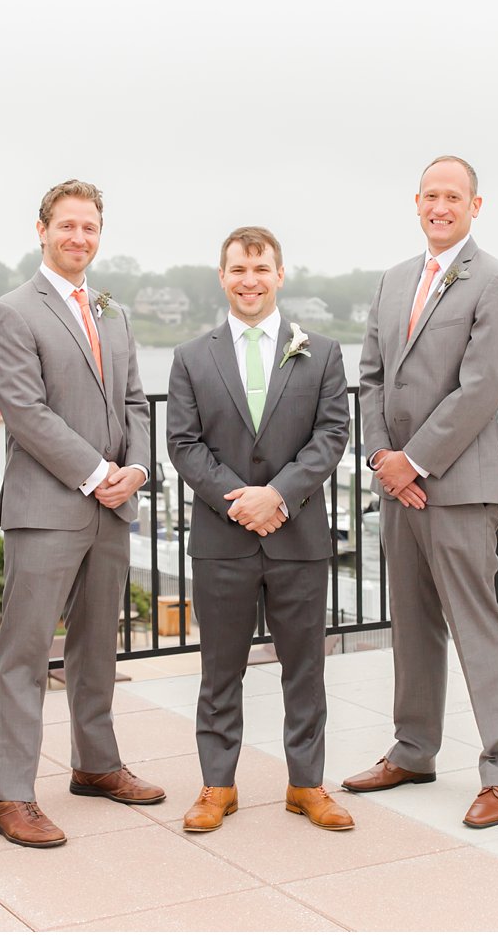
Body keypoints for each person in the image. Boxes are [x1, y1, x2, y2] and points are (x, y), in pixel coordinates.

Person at [343, 155, 498, 829]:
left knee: (477, 627)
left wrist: (416, 461)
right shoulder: (393, 281)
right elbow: (368, 377)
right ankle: (414, 750)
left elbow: (482, 387)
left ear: (476, 205)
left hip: (458, 485)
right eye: (430, 196)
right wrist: (380, 460)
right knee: (412, 625)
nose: (440, 206)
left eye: (453, 197)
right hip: (397, 487)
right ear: (415, 202)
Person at [0, 179, 164, 848]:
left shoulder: (112, 313)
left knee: (97, 648)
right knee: (24, 654)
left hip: (114, 508)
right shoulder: (12, 312)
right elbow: (25, 413)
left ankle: (95, 764)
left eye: (89, 227)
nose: (79, 238)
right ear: (42, 229)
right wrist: (96, 474)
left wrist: (137, 472)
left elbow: (138, 403)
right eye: (67, 226)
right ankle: (11, 794)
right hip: (48, 508)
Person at [166, 226, 353, 833]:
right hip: (223, 539)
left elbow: (331, 435)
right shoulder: (192, 357)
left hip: (298, 534)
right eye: (239, 270)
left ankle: (307, 785)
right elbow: (184, 444)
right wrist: (238, 502)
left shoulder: (321, 352)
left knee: (305, 668)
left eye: (261, 268)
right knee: (220, 668)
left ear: (279, 274)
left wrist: (279, 495)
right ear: (223, 277)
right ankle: (217, 785)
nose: (250, 280)